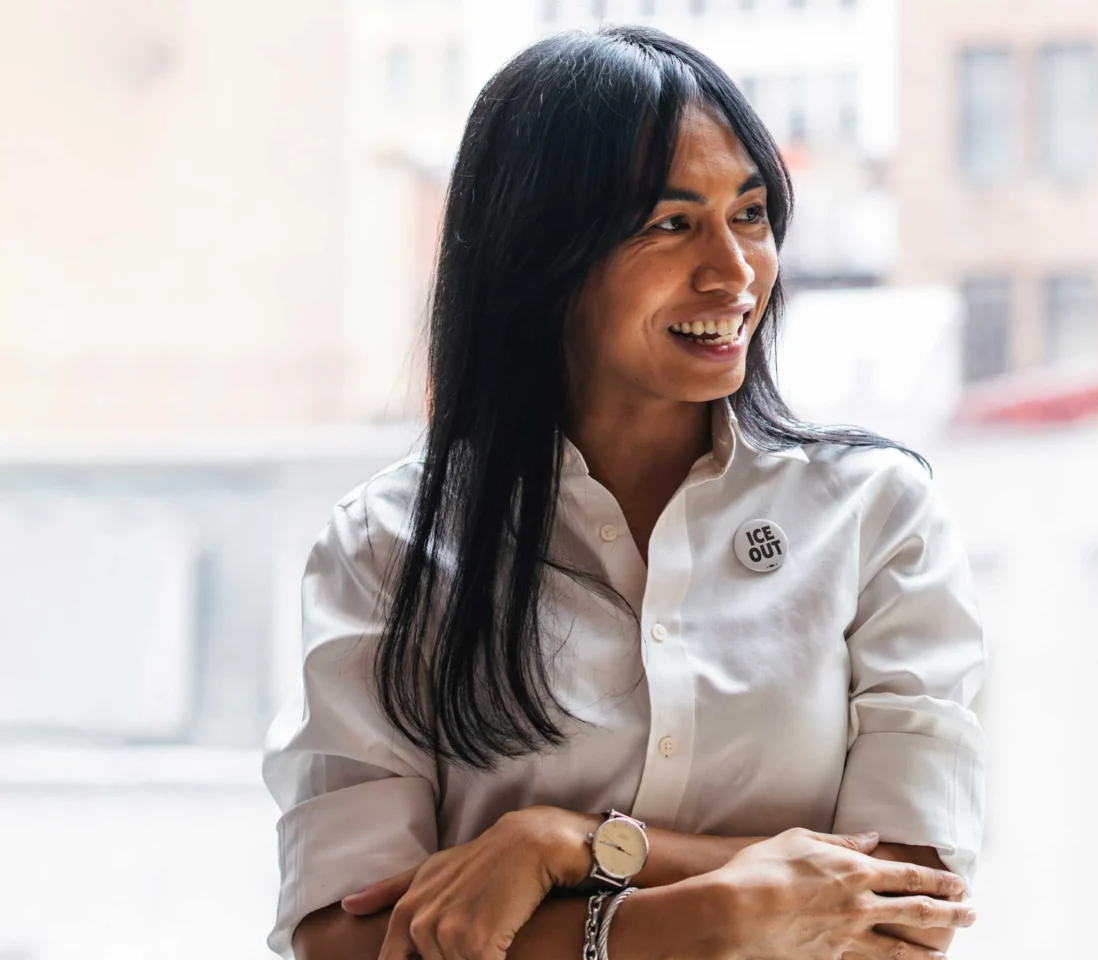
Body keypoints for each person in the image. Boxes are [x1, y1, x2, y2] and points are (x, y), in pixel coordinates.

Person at [262, 25, 987, 960]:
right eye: (671, 224)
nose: (735, 273)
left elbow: (906, 908)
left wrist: (569, 846)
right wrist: (709, 917)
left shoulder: (875, 515)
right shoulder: (386, 547)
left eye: (751, 214)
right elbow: (344, 937)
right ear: (540, 255)